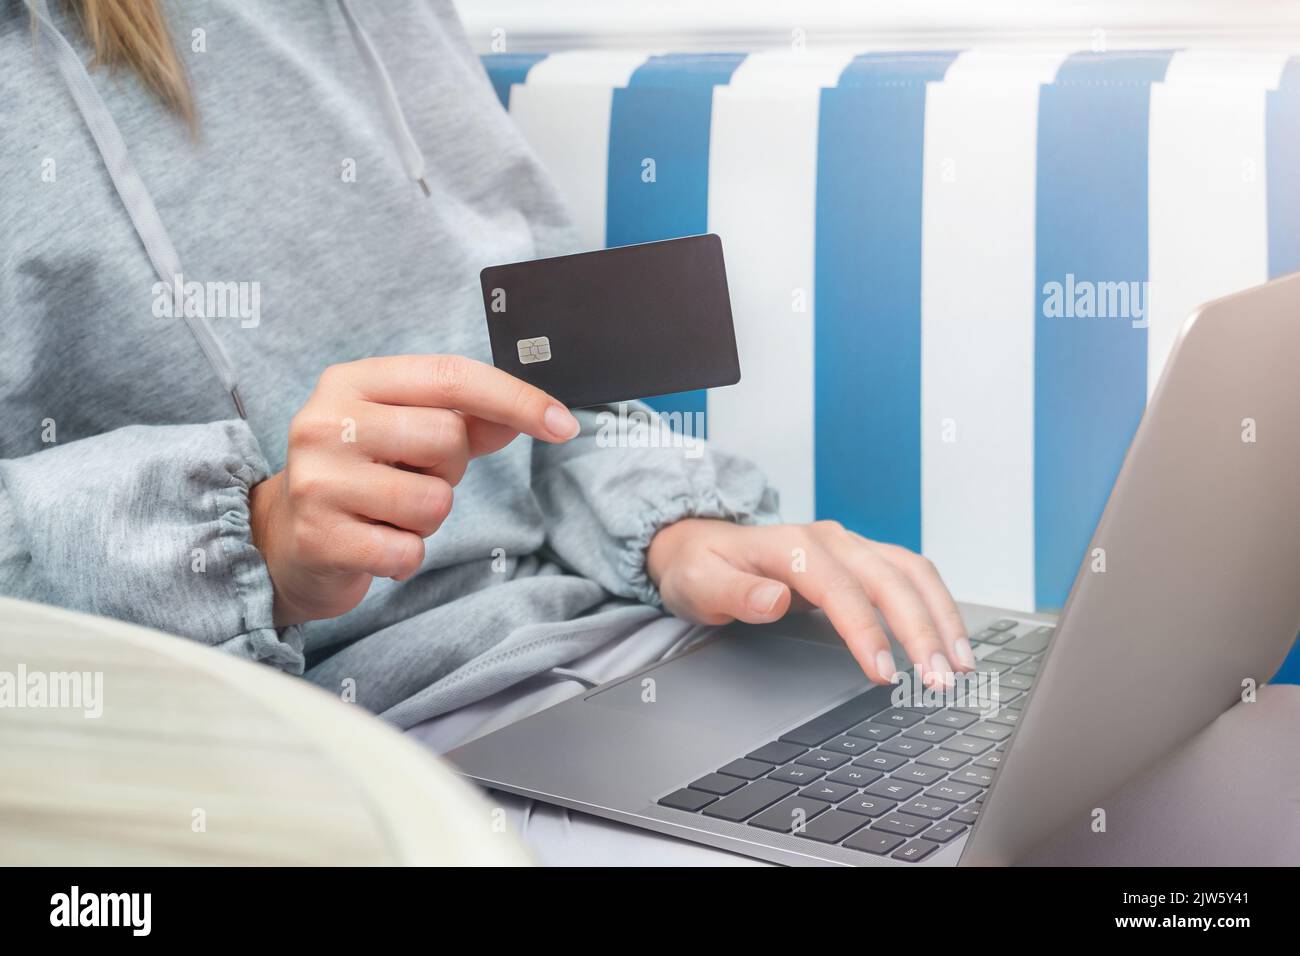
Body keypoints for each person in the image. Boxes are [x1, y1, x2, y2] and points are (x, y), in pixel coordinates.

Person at [1, 0, 971, 861]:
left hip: (611, 660)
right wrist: (256, 543)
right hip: (336, 754)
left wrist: (679, 531)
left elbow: (542, 388)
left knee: (991, 773)